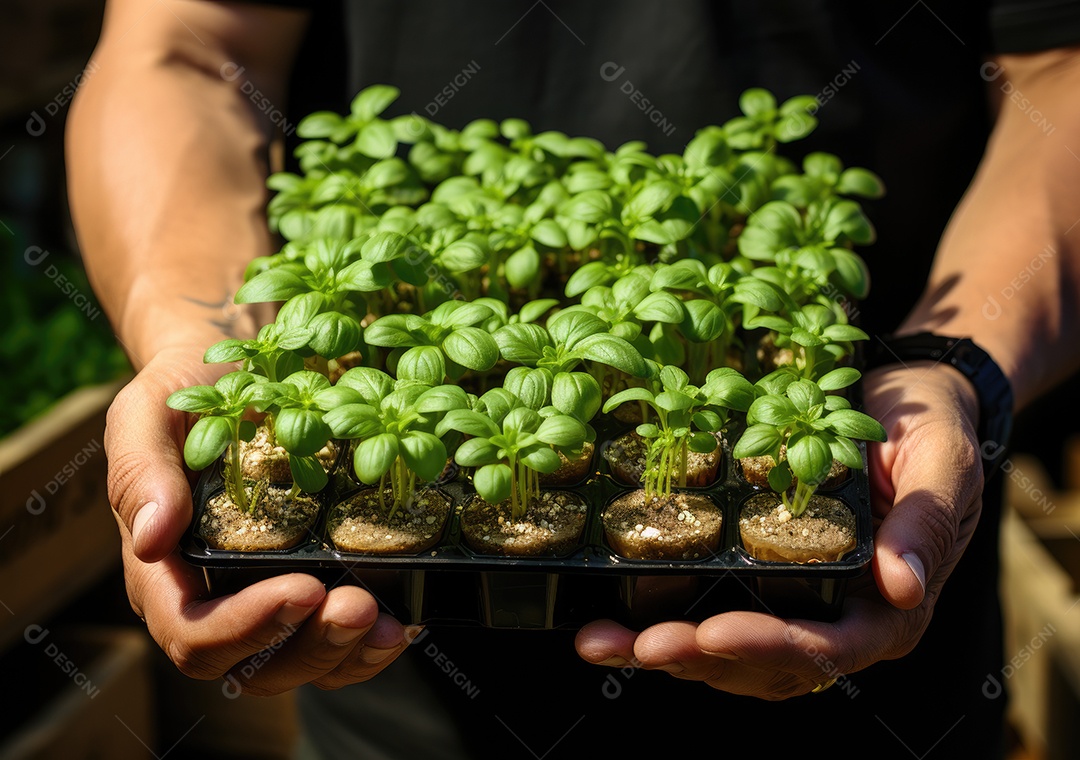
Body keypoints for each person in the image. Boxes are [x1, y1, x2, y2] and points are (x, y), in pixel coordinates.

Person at [66, 0, 1080, 757]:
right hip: (396, 676)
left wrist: (952, 360)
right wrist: (193, 324)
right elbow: (184, 45)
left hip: (882, 655)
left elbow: (1061, 68)